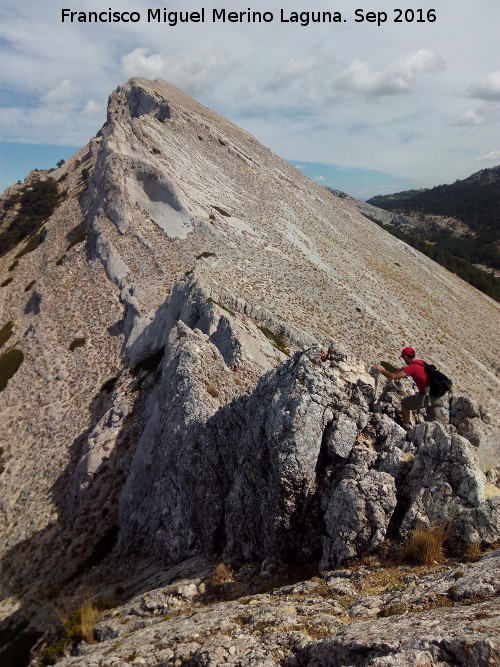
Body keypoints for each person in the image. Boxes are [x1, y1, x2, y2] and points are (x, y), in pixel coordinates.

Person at [373, 347, 442, 429]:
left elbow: (393, 377)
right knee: (433, 421)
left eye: (403, 358)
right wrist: (401, 369)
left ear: (405, 357)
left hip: (427, 396)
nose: (403, 359)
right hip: (437, 394)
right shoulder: (421, 362)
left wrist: (381, 370)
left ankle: (406, 426)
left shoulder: (412, 368)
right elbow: (410, 369)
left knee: (405, 403)